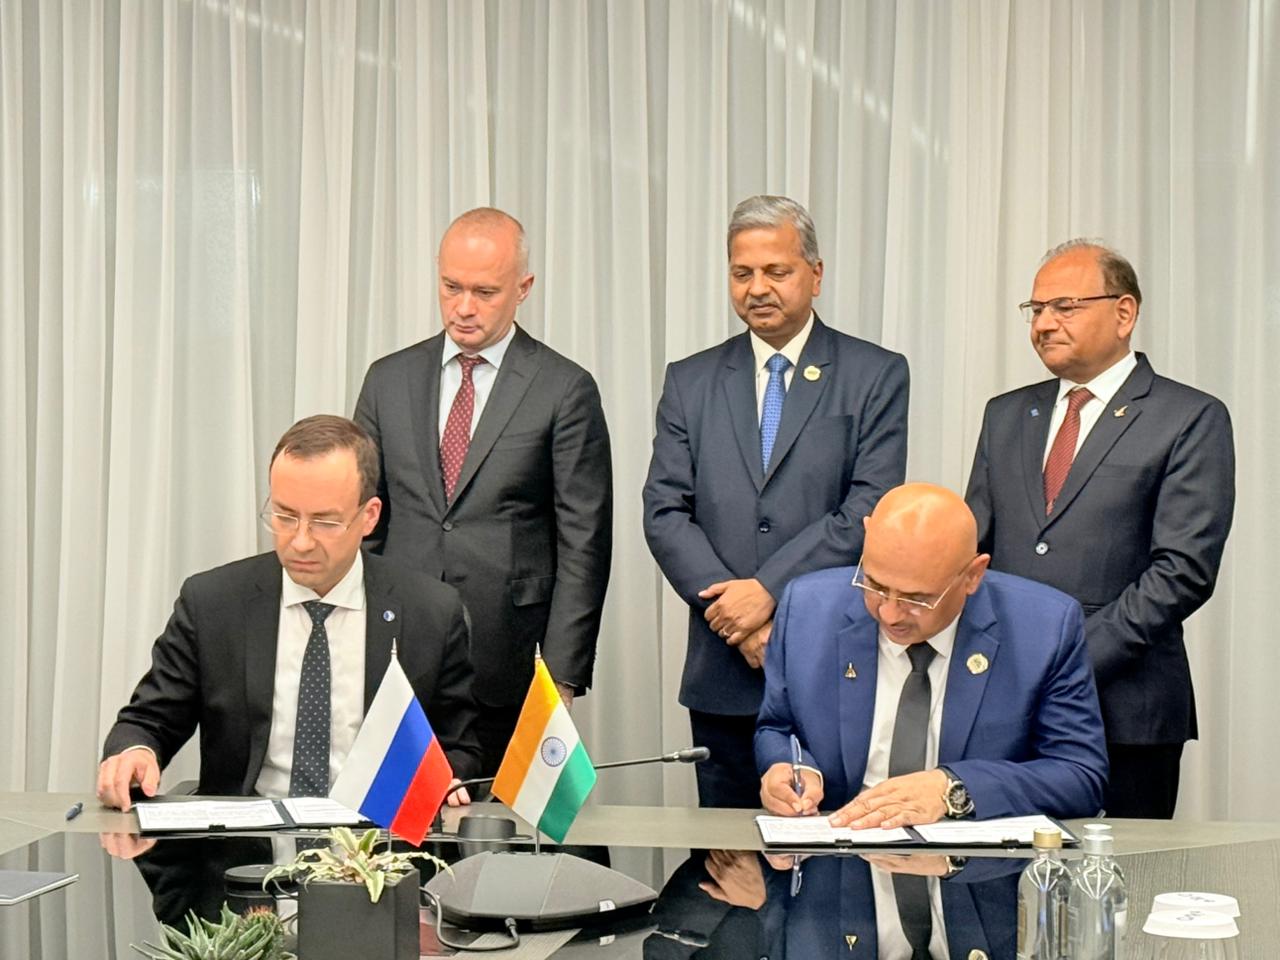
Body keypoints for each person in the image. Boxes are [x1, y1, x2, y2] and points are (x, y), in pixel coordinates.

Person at [643, 195, 909, 808]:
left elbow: (869, 507)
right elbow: (664, 510)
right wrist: (734, 618)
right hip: (724, 668)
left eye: (776, 271)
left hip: (832, 661)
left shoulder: (874, 373)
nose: (757, 288)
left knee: (832, 850)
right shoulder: (691, 379)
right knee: (728, 857)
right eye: (742, 273)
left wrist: (768, 593)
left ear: (815, 274)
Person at [965, 239, 1235, 819]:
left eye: (1064, 306)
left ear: (1124, 312)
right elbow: (974, 552)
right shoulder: (1005, 414)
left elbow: (1183, 571)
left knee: (1122, 874)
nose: (1043, 324)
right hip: (1006, 702)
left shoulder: (1188, 417)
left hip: (1128, 711)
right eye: (1036, 309)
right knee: (1003, 870)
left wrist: (1065, 660)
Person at [98, 416, 482, 811]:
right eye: (284, 516)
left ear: (369, 516)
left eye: (324, 522)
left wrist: (447, 777)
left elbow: (459, 746)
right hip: (245, 839)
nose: (300, 542)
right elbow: (149, 720)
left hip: (375, 835)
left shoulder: (430, 612)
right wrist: (135, 752)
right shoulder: (213, 603)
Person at [354, 208, 612, 775]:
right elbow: (364, 523)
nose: (464, 307)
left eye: (485, 292)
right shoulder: (388, 379)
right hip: (400, 653)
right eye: (451, 287)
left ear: (523, 288)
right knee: (395, 821)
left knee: (499, 826)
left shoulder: (564, 389)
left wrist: (562, 679)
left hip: (509, 663)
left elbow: (584, 544)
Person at [757, 483, 1107, 827]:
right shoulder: (808, 609)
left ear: (973, 576)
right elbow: (777, 728)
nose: (889, 614)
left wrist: (952, 788)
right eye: (874, 585)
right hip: (840, 841)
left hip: (970, 856)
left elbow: (1079, 775)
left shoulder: (1044, 628)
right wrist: (790, 768)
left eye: (916, 599)